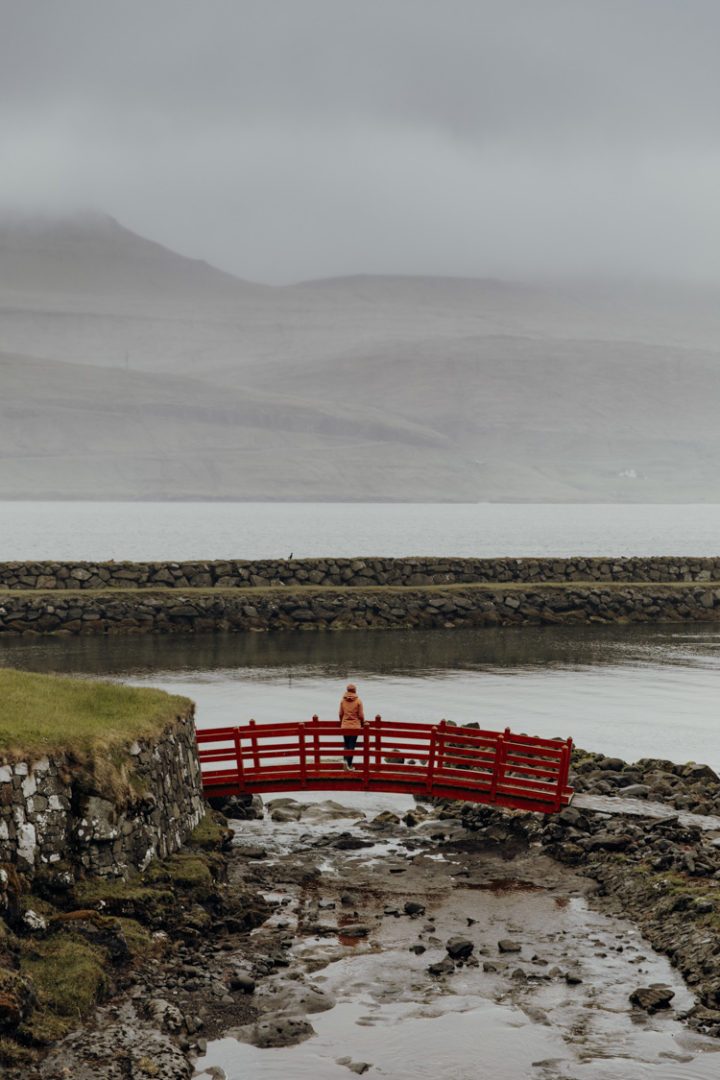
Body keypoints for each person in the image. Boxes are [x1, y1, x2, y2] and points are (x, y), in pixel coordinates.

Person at [339, 682, 364, 770]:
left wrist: (342, 722)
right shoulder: (358, 701)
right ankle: (349, 765)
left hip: (345, 726)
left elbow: (340, 714)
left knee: (346, 744)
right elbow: (361, 716)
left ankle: (345, 762)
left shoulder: (342, 700)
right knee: (351, 745)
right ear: (355, 691)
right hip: (355, 726)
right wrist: (363, 723)